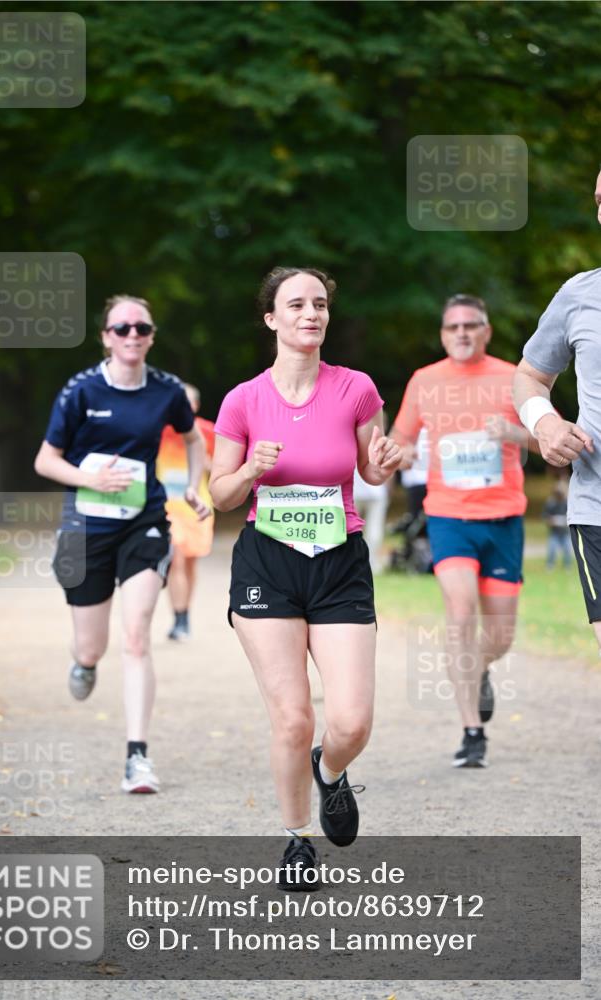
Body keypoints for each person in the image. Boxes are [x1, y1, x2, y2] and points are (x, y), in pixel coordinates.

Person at [209, 267, 401, 887]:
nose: (310, 314)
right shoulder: (243, 400)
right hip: (270, 561)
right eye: (296, 305)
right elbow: (219, 495)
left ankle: (331, 769)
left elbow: (373, 473)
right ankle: (296, 840)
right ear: (272, 319)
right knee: (292, 717)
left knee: (350, 722)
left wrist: (386, 460)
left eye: (319, 304)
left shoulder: (355, 389)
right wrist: (249, 473)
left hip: (339, 560)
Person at [34, 295, 210, 793]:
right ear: (105, 336)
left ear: (151, 335)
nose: (132, 335)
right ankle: (85, 661)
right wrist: (90, 482)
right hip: (85, 526)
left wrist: (192, 486)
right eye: (121, 328)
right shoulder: (81, 390)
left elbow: (193, 440)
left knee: (136, 635)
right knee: (94, 644)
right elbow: (45, 461)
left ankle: (138, 757)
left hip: (145, 522)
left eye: (142, 327)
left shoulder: (167, 390)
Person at [391, 294, 539, 768]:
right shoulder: (425, 381)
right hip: (448, 516)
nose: (461, 333)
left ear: (486, 331)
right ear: (442, 334)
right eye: (452, 327)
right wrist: (403, 454)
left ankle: (481, 671)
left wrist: (517, 434)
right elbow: (400, 439)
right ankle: (471, 731)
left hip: (502, 519)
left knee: (499, 637)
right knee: (459, 613)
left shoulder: (515, 377)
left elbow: (549, 436)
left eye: (471, 325)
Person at [514, 169, 601, 649]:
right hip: (597, 507)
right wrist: (544, 422)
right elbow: (528, 375)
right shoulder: (579, 295)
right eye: (599, 198)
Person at [156, 383, 215, 641]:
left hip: (197, 507)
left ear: (196, 405)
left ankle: (185, 614)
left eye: (188, 401)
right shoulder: (158, 429)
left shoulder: (207, 431)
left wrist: (201, 457)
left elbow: (220, 468)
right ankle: (179, 618)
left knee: (191, 562)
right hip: (167, 507)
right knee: (176, 558)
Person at [352, 469, 390, 574]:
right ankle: (371, 563)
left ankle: (353, 561)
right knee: (374, 529)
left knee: (351, 529)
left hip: (355, 490)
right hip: (376, 490)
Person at [543, 478, 573, 570]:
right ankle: (550, 565)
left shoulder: (568, 503)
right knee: (552, 549)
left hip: (565, 531)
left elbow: (571, 516)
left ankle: (568, 566)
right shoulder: (550, 503)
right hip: (554, 532)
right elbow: (545, 517)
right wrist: (551, 521)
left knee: (568, 549)